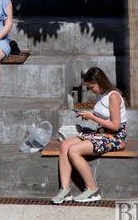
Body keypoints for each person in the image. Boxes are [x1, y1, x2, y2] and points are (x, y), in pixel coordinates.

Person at [52, 67, 127, 203]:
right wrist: (90, 116)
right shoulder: (100, 94)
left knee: (74, 150)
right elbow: (103, 118)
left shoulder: (114, 96)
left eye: (92, 87)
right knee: (65, 144)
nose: (90, 90)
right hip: (102, 133)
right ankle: (65, 190)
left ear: (100, 82)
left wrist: (92, 117)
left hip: (115, 137)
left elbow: (116, 126)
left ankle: (92, 190)